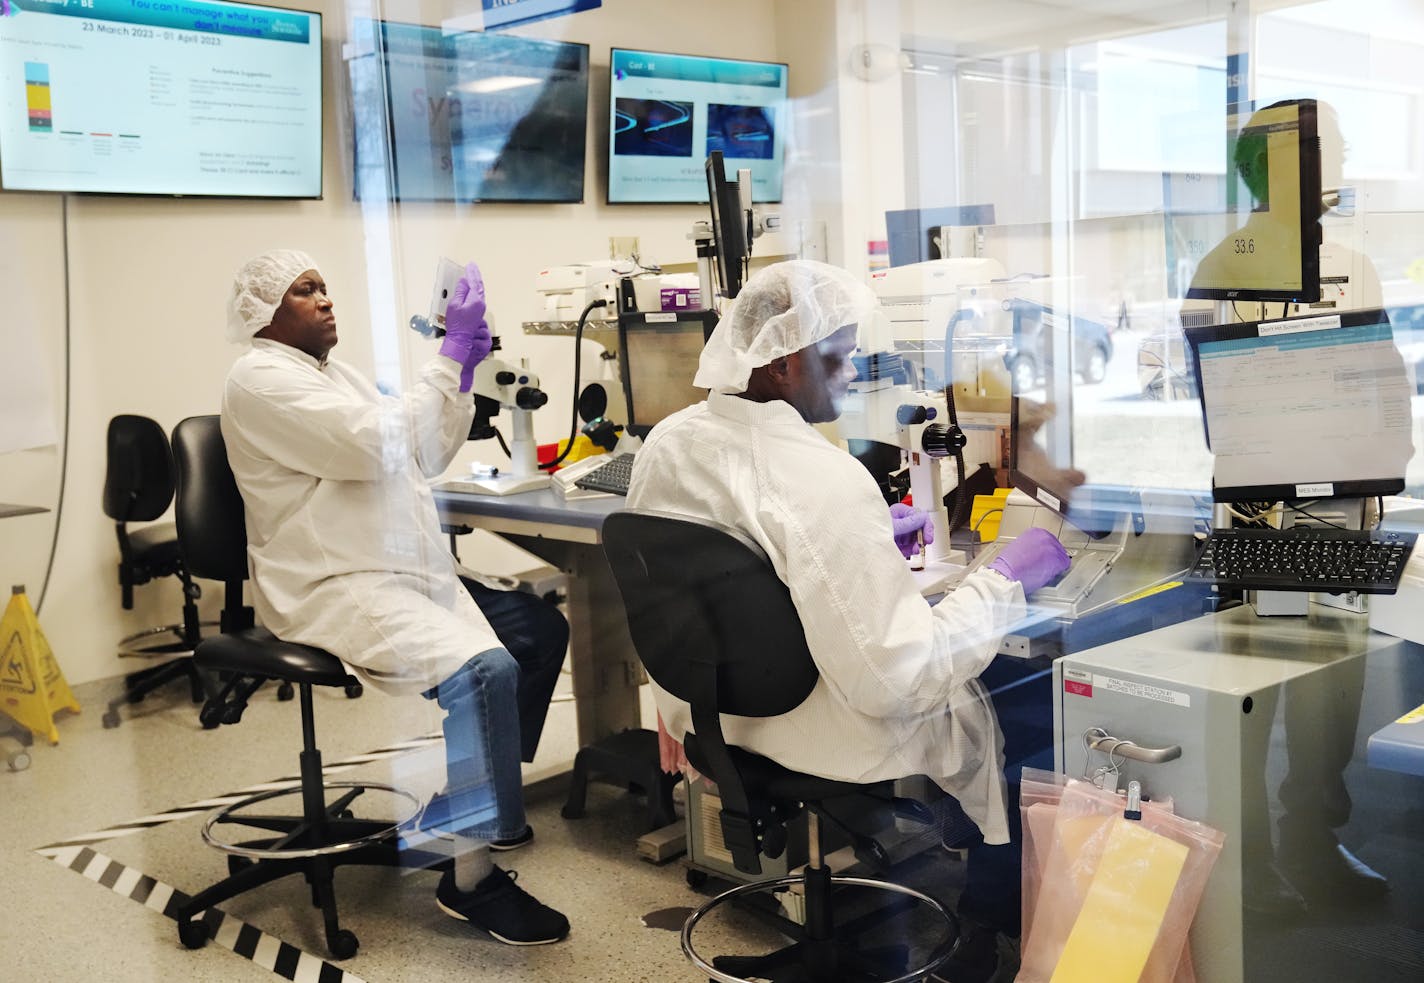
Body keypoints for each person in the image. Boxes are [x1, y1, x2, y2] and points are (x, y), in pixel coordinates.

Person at [626, 259, 1071, 981]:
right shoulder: (820, 476)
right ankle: (988, 926)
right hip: (818, 730)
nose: (852, 375)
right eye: (835, 358)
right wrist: (1003, 578)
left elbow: (723, 569)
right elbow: (898, 678)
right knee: (1024, 699)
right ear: (779, 363)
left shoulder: (672, 440)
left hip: (713, 716)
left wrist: (863, 546)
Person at [221, 249, 570, 945]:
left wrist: (462, 368)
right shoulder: (259, 379)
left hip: (399, 569)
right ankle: (470, 877)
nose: (325, 300)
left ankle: (460, 806)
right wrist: (444, 358)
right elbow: (374, 443)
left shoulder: (336, 375)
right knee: (484, 669)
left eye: (325, 285)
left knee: (535, 632)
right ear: (265, 313)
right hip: (334, 584)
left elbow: (425, 449)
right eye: (304, 290)